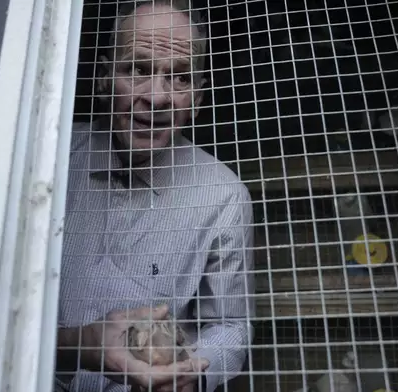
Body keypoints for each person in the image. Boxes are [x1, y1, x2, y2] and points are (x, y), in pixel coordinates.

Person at [56, 1, 255, 391]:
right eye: (138, 69)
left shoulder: (224, 197)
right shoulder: (47, 160)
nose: (158, 97)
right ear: (103, 77)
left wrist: (190, 375)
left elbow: (231, 326)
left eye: (179, 77)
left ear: (198, 97)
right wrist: (78, 345)